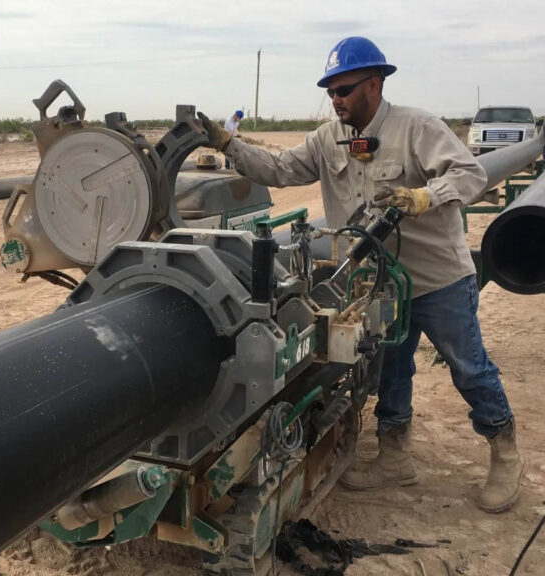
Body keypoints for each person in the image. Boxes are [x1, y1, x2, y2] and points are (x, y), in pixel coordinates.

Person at [198, 36, 525, 513]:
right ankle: (395, 456)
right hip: (378, 283)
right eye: (331, 91)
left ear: (374, 84)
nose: (336, 100)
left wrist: (424, 197)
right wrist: (229, 144)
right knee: (392, 366)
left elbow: (471, 175)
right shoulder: (327, 138)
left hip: (437, 279)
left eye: (345, 90)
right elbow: (280, 168)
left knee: (468, 365)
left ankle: (505, 451)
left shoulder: (417, 128)